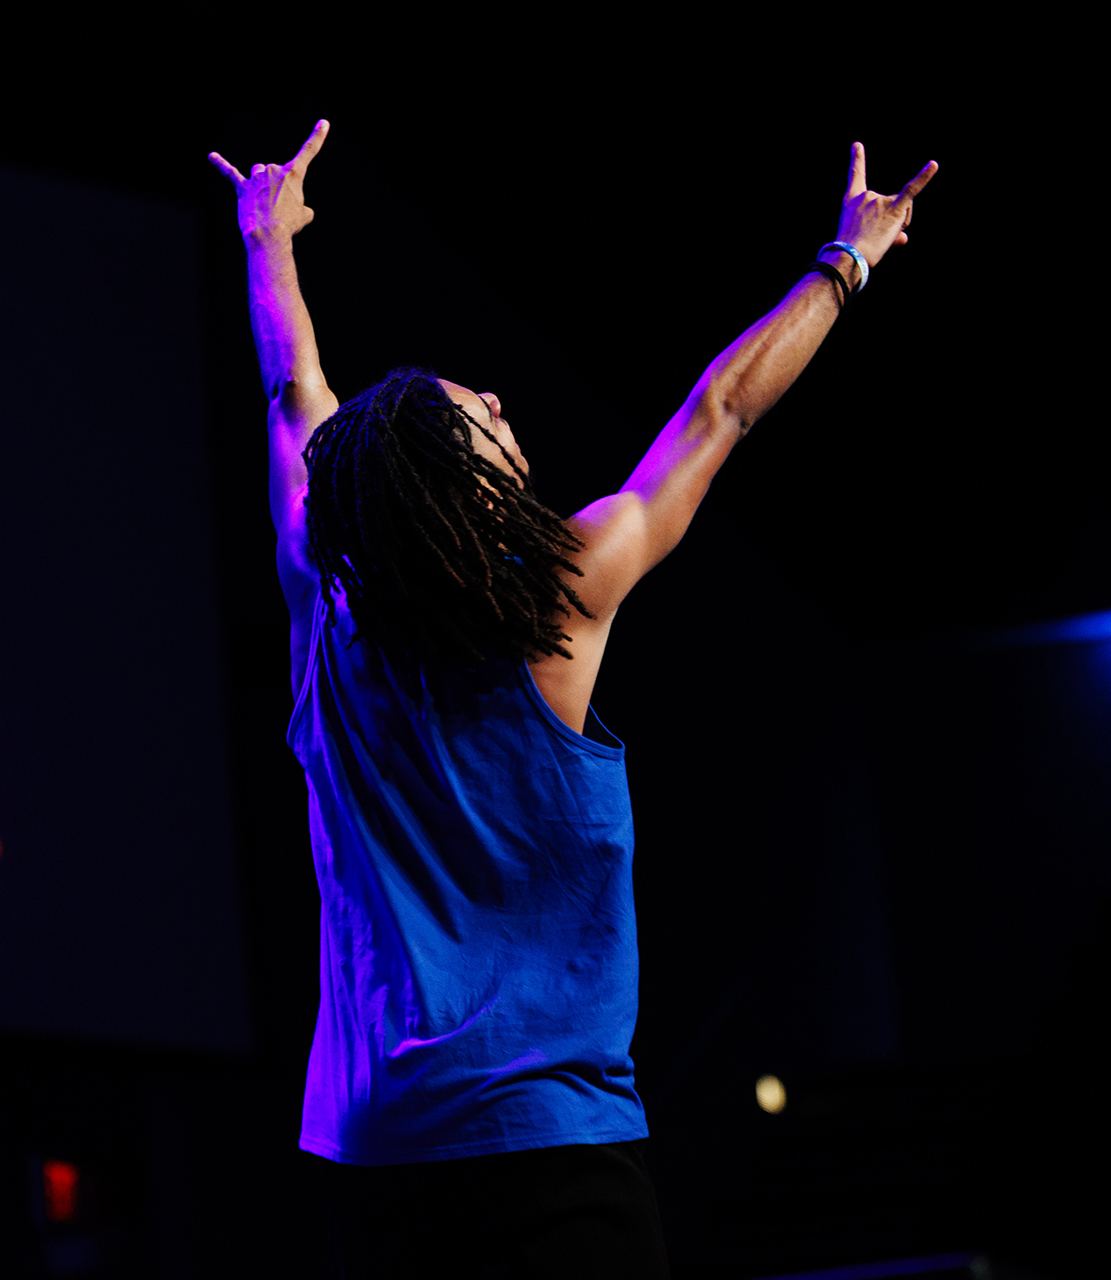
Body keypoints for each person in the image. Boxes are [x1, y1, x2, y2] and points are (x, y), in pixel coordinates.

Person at [208, 121, 936, 1278]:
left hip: (373, 1157)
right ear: (469, 493)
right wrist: (847, 260)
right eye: (483, 418)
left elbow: (294, 393)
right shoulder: (563, 600)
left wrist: (267, 244)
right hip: (552, 1151)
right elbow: (721, 413)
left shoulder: (327, 618)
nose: (502, 401)